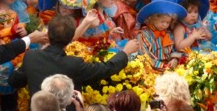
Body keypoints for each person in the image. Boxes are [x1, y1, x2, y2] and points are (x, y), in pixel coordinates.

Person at [8, 14, 139, 95]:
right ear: (71, 38)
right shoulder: (74, 64)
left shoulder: (32, 57)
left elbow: (14, 81)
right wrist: (125, 52)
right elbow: (105, 69)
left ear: (48, 35)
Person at [137, 0, 187, 70]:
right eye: (162, 21)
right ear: (153, 18)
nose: (165, 25)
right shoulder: (144, 34)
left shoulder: (168, 34)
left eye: (168, 22)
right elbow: (145, 55)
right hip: (151, 69)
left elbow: (173, 50)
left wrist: (174, 59)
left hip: (169, 68)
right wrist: (162, 66)